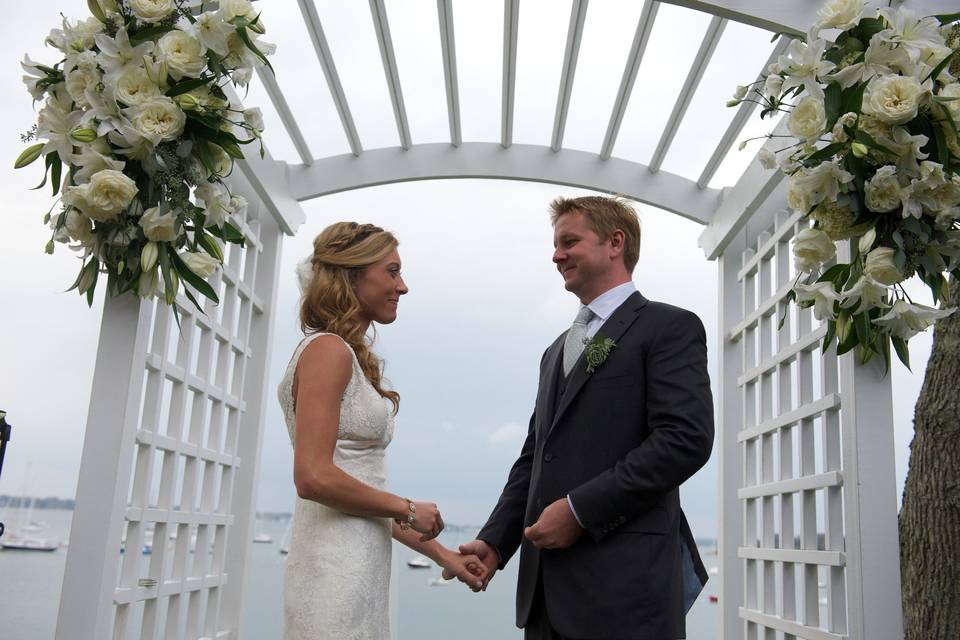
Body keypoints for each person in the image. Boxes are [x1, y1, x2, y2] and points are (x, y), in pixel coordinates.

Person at [455, 196, 713, 639]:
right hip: (545, 597)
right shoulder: (555, 350)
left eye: (569, 241)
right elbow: (537, 457)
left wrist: (579, 511)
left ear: (615, 243)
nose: (556, 255)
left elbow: (684, 439)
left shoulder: (669, 327)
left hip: (625, 591)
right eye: (555, 245)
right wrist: (497, 541)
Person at [277, 221, 486, 640]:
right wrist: (407, 506)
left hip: (357, 567)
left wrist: (442, 554)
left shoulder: (342, 353)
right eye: (392, 271)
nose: (403, 286)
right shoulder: (327, 351)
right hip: (334, 570)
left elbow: (360, 493)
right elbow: (313, 476)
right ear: (352, 275)